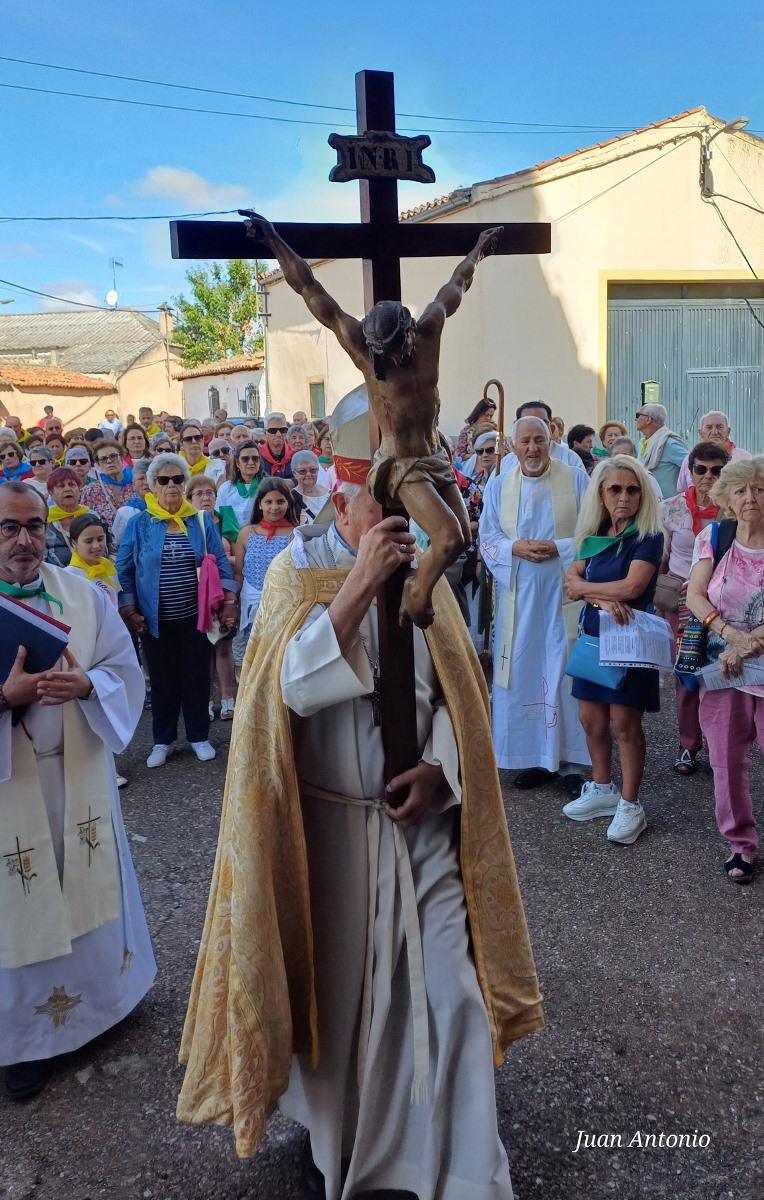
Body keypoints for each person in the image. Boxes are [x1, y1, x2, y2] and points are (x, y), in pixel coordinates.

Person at [176, 475, 543, 1199]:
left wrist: (441, 767)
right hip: (327, 835)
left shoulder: (426, 571)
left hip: (423, 830)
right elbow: (286, 690)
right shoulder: (296, 572)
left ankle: (464, 1171)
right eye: (382, 498)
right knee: (339, 1006)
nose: (401, 513)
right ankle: (341, 1146)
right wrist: (358, 587)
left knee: (452, 992)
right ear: (341, 504)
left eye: (410, 495)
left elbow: (458, 692)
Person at [243, 211, 504, 629]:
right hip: (401, 463)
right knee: (448, 537)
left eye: (396, 351)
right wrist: (273, 240)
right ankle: (416, 595)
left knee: (463, 537)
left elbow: (457, 283)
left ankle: (418, 583)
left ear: (411, 332)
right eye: (381, 353)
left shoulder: (431, 328)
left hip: (434, 452)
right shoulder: (367, 353)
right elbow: (311, 290)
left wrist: (478, 251)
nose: (388, 361)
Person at [0, 482, 155, 1099]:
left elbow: (124, 670)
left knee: (87, 886)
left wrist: (88, 686)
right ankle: (21, 1044)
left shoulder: (83, 596)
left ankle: (102, 1006)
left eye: (34, 526)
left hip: (77, 772)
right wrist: (5, 698)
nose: (24, 540)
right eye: (8, 527)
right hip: (10, 787)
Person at [480, 416, 590, 791]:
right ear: (512, 446)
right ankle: (535, 758)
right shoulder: (500, 485)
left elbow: (593, 529)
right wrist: (515, 547)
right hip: (520, 595)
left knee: (564, 671)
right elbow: (487, 536)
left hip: (563, 594)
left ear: (550, 441)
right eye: (524, 441)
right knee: (523, 670)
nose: (532, 448)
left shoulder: (574, 478)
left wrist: (559, 547)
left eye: (539, 440)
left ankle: (572, 764)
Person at [562, 456, 664, 844]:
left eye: (632, 489)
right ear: (601, 494)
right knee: (590, 719)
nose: (624, 497)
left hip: (630, 640)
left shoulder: (648, 536)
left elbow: (632, 587)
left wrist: (589, 592)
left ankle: (630, 805)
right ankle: (602, 788)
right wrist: (601, 599)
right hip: (594, 636)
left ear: (642, 494)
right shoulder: (593, 533)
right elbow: (570, 579)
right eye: (615, 489)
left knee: (624, 724)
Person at [116, 454, 238, 768]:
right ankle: (163, 740)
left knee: (196, 677)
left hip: (195, 616)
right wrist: (129, 608)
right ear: (153, 486)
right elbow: (124, 567)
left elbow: (220, 562)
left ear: (184, 483)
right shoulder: (139, 523)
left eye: (177, 479)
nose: (171, 485)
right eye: (164, 480)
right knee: (163, 680)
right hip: (154, 619)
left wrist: (229, 601)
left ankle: (199, 736)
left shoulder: (200, 521)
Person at [686, 457, 764, 883]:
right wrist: (732, 637)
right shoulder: (714, 536)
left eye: (760, 489)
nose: (751, 497)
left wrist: (751, 642)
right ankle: (740, 844)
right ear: (728, 499)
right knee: (725, 761)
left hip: (754, 659)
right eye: (741, 490)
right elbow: (695, 596)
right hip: (723, 668)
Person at [658, 442, 731, 774]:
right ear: (690, 471)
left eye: (716, 470)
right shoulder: (671, 508)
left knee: (719, 673)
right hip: (681, 601)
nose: (708, 476)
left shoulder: (734, 509)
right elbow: (661, 557)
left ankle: (721, 745)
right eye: (701, 469)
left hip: (722, 600)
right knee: (684, 671)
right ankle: (688, 744)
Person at [187, 475, 236, 721]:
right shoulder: (186, 523)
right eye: (199, 494)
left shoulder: (226, 518)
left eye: (209, 493)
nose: (205, 498)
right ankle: (205, 700)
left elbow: (237, 555)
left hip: (222, 588)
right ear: (189, 499)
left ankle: (228, 698)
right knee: (203, 649)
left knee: (223, 645)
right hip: (196, 592)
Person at [233, 478, 297, 654]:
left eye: (280, 501)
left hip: (282, 607)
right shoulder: (246, 533)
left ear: (288, 504)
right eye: (268, 502)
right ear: (260, 504)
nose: (274, 507)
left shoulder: (295, 535)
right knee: (251, 653)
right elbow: (238, 573)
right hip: (251, 603)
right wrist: (234, 603)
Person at [675, 410, 751, 492]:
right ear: (700, 433)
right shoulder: (689, 459)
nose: (715, 432)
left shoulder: (744, 458)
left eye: (720, 427)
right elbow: (682, 491)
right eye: (709, 427)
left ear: (728, 431)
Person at [500, 402, 585, 475]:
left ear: (551, 429)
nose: (536, 426)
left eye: (542, 422)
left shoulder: (570, 459)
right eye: (528, 422)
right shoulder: (507, 464)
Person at [65, 512, 120, 605]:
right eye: (88, 541)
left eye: (100, 539)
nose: (96, 546)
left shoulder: (107, 567)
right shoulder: (69, 575)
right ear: (74, 543)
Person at [81, 440, 136, 530]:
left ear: (121, 458)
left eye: (113, 456)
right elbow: (85, 521)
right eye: (103, 459)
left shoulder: (136, 484)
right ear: (98, 464)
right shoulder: (91, 491)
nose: (109, 461)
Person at [635, 403, 687, 498]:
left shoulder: (668, 443)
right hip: (648, 501)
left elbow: (692, 465)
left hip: (668, 503)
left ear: (648, 419)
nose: (635, 419)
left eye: (638, 415)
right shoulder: (642, 443)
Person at [216, 441, 264, 542]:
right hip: (231, 539)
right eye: (245, 459)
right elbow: (220, 518)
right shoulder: (226, 488)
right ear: (237, 463)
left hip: (261, 537)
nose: (251, 462)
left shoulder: (267, 486)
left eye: (255, 459)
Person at [44, 467, 89, 567]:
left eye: (72, 485)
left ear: (79, 489)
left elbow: (113, 550)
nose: (68, 489)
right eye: (61, 486)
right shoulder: (44, 523)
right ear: (51, 493)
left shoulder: (93, 517)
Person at [112, 457, 151, 548]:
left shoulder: (168, 507)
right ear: (133, 484)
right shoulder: (125, 512)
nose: (146, 482)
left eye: (149, 478)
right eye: (141, 478)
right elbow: (119, 542)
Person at [290, 449, 330, 525]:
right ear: (294, 473)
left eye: (313, 470)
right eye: (302, 471)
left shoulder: (330, 495)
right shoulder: (290, 498)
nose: (308, 474)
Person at [258, 412, 295, 478]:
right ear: (265, 432)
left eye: (283, 430)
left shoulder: (295, 456)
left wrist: (291, 481)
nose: (278, 434)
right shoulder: (257, 456)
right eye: (273, 430)